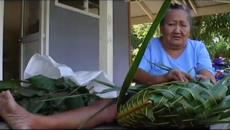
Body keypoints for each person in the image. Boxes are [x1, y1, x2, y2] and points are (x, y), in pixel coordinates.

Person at [0, 4, 216, 129]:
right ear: (161, 27)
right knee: (106, 106)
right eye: (171, 24)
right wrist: (161, 79)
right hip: (148, 102)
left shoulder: (197, 47)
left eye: (182, 24)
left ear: (189, 29)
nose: (177, 30)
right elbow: (137, 75)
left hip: (186, 108)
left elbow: (208, 75)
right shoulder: (151, 44)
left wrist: (198, 83)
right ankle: (32, 121)